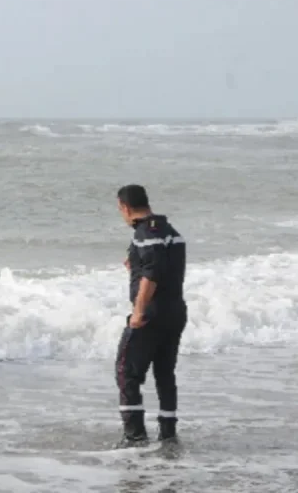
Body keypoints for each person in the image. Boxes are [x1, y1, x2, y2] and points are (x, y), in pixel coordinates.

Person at [115, 184, 187, 448]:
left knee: (126, 371)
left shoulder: (146, 233)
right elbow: (158, 267)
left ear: (124, 207)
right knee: (164, 372)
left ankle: (134, 437)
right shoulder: (170, 232)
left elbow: (152, 274)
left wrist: (138, 311)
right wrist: (134, 266)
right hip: (175, 311)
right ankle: (168, 434)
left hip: (151, 314)